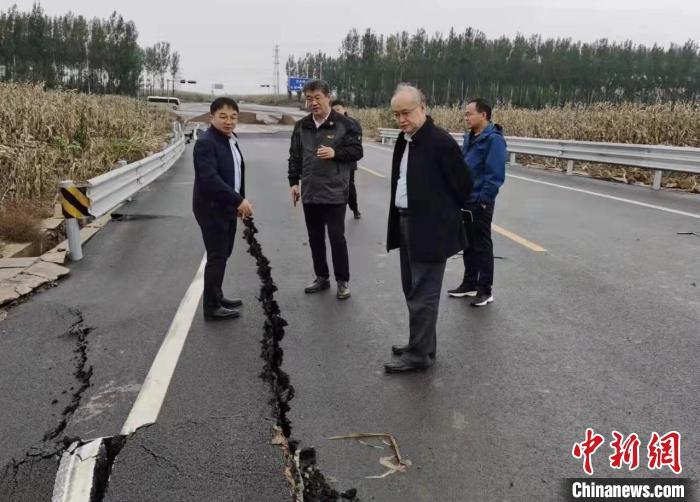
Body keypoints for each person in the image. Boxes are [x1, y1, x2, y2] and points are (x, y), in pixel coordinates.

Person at [384, 85, 473, 373]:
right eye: (397, 115)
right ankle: (420, 345)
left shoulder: (440, 142)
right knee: (412, 288)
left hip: (430, 229)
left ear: (423, 107)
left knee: (423, 293)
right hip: (406, 222)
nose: (401, 120)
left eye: (406, 113)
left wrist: (440, 215)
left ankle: (419, 355)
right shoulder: (405, 140)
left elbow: (463, 186)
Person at [288, 80, 363, 299]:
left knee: (336, 237)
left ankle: (342, 281)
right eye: (309, 98)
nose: (313, 102)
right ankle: (321, 277)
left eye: (317, 97)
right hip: (310, 191)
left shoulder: (345, 124)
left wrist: (335, 153)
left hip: (335, 191)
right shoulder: (301, 126)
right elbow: (295, 156)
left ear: (328, 97)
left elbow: (357, 151)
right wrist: (293, 182)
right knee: (315, 237)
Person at [192, 97, 254, 320]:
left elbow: (237, 174)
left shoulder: (230, 139)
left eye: (233, 117)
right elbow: (210, 179)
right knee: (217, 256)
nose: (229, 121)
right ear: (212, 117)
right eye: (223, 116)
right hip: (211, 208)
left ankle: (217, 296)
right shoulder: (206, 142)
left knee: (223, 254)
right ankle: (211, 307)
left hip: (226, 206)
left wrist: (238, 200)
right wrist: (238, 200)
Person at [447, 98, 507, 307]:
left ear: (483, 115)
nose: (466, 117)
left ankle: (485, 289)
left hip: (479, 202)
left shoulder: (493, 140)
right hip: (465, 199)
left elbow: (495, 174)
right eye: (465, 114)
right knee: (468, 244)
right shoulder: (470, 137)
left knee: (482, 245)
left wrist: (483, 200)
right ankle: (469, 283)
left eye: (469, 113)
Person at [330, 99, 362, 219]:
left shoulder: (353, 124)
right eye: (333, 111)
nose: (336, 113)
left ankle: (355, 209)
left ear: (344, 109)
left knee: (349, 187)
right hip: (333, 161)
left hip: (348, 162)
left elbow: (357, 147)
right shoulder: (330, 124)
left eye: (338, 110)